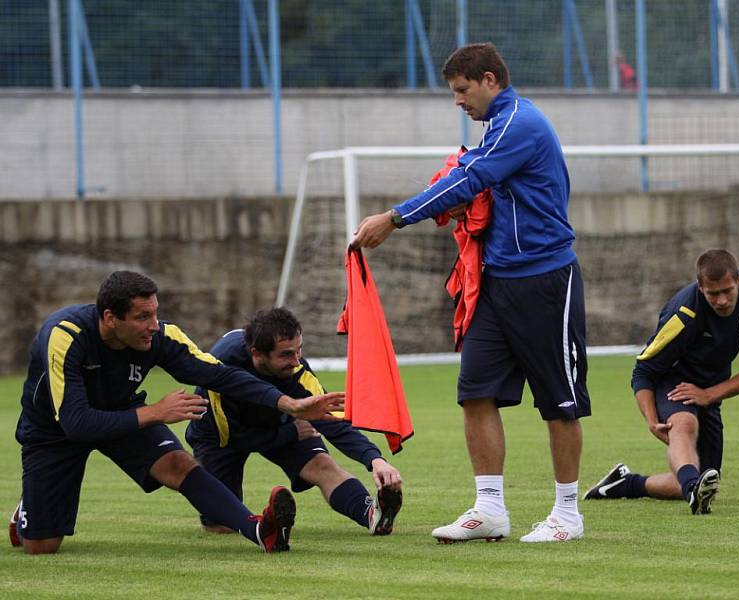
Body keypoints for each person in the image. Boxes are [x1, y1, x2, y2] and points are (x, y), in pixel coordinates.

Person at [350, 42, 590, 543]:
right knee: (475, 392)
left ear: (488, 79)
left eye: (462, 91)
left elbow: (471, 178)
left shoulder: (519, 122)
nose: (458, 101)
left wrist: (394, 218)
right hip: (496, 284)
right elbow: (474, 183)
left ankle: (568, 514)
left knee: (559, 402)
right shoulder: (495, 127)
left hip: (545, 280)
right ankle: (490, 509)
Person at [8, 271, 344, 555]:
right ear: (110, 318)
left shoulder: (162, 336)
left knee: (178, 464)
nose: (154, 325)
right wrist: (155, 412)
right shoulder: (65, 336)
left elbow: (221, 374)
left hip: (122, 411)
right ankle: (29, 510)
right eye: (142, 317)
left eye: (155, 314)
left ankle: (258, 530)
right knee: (42, 546)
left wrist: (290, 404)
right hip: (55, 430)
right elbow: (76, 423)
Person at [584, 249, 739, 514]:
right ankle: (693, 492)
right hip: (672, 379)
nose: (722, 300)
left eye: (727, 291)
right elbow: (643, 370)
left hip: (710, 388)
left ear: (738, 281)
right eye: (713, 294)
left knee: (705, 478)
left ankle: (626, 484)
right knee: (685, 425)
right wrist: (652, 420)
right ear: (701, 288)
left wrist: (710, 394)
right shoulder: (683, 313)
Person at [185, 307, 403, 536]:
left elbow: (332, 421)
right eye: (286, 354)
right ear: (257, 354)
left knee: (323, 465)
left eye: (299, 351)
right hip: (220, 437)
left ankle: (371, 514)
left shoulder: (297, 371)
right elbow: (231, 436)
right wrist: (290, 433)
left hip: (279, 424)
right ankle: (264, 524)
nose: (296, 361)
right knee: (221, 525)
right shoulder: (220, 368)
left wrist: (375, 459)